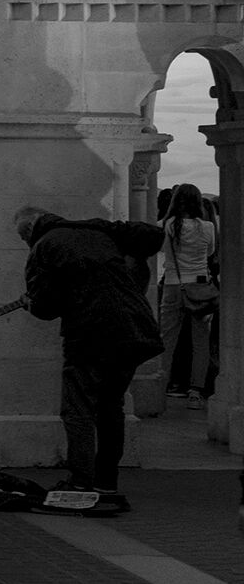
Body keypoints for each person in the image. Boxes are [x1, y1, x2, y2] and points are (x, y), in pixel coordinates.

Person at [18, 204, 163, 512]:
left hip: (90, 333)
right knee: (111, 406)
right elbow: (153, 236)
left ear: (30, 231)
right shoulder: (98, 228)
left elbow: (46, 307)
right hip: (135, 329)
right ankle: (106, 481)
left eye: (23, 238)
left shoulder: (44, 247)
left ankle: (80, 481)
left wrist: (30, 303)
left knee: (78, 408)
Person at [152, 183, 219, 410]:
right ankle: (195, 391)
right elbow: (210, 253)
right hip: (200, 288)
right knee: (200, 341)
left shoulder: (165, 226)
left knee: (167, 340)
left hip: (173, 285)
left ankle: (159, 389)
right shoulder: (208, 227)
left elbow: (160, 251)